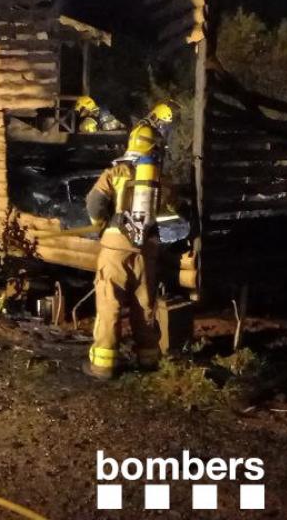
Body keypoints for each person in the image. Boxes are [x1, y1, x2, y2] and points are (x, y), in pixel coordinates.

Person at [82, 105, 178, 379]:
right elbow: (172, 210)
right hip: (146, 250)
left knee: (109, 304)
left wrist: (100, 223)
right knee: (144, 306)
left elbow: (94, 201)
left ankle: (102, 366)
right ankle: (148, 360)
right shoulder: (161, 180)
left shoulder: (116, 172)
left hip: (115, 248)